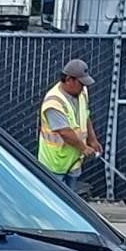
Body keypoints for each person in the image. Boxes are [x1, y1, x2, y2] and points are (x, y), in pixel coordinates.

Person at [37, 57, 101, 188]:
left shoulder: (82, 93)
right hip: (54, 165)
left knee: (70, 199)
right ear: (68, 79)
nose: (83, 88)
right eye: (81, 83)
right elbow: (64, 132)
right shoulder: (54, 102)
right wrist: (84, 148)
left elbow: (85, 116)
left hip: (74, 162)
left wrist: (93, 140)